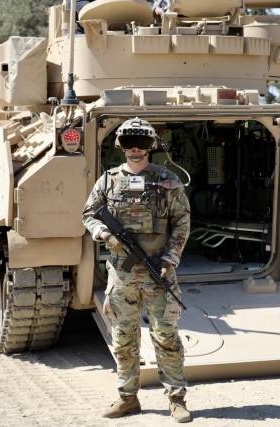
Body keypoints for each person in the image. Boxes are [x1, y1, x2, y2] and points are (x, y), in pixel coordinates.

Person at [82, 118, 192, 423]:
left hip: (160, 270)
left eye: (142, 143)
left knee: (165, 335)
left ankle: (176, 398)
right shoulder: (107, 181)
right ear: (119, 145)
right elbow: (89, 215)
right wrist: (104, 234)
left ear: (152, 146)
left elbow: (182, 222)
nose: (135, 149)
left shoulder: (167, 180)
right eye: (129, 142)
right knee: (123, 338)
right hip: (122, 275)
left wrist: (171, 260)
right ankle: (127, 398)